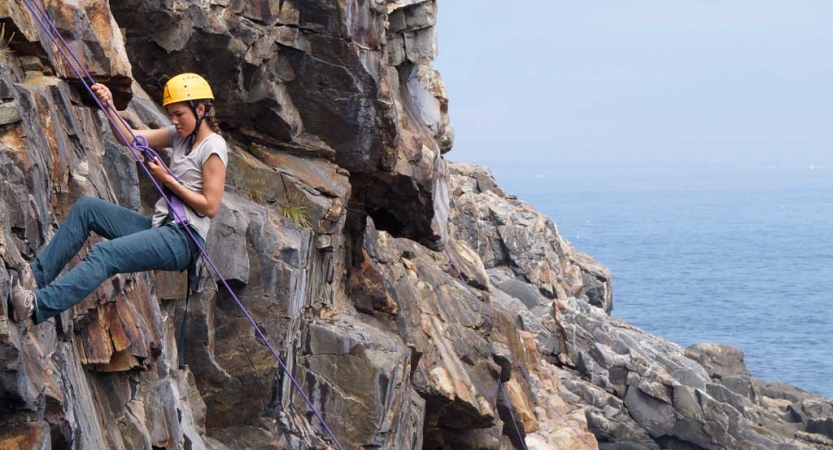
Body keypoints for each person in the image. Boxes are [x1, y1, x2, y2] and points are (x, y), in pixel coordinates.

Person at [7, 73, 228, 324]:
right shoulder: (180, 136)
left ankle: (35, 305)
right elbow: (129, 138)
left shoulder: (213, 146)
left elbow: (210, 206)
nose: (174, 121)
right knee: (87, 209)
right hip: (161, 226)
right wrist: (109, 105)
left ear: (200, 110)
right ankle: (35, 276)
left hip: (184, 239)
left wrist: (167, 180)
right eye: (171, 114)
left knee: (105, 255)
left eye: (179, 114)